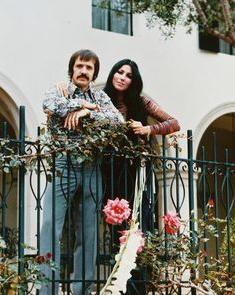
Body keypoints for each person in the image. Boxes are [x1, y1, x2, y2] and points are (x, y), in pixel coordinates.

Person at [40, 49, 124, 295]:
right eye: (80, 66)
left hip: (91, 168)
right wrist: (81, 103)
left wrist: (88, 111)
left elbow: (117, 121)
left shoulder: (100, 98)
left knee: (88, 233)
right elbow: (48, 105)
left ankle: (82, 291)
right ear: (72, 69)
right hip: (63, 166)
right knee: (49, 226)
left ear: (94, 72)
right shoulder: (59, 90)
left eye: (89, 68)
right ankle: (46, 290)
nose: (84, 71)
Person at [103, 59, 181, 294]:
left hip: (136, 172)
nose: (122, 77)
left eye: (128, 75)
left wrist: (149, 129)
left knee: (137, 228)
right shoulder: (101, 99)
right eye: (119, 72)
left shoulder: (141, 102)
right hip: (109, 172)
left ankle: (138, 287)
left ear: (133, 82)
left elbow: (174, 123)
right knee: (115, 230)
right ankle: (117, 286)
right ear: (112, 74)